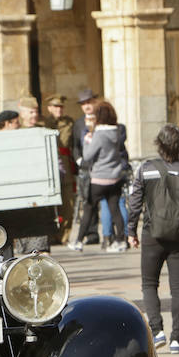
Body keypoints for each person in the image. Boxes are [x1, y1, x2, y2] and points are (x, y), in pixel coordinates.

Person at [127, 124, 179, 353]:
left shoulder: (146, 169)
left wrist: (131, 231)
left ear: (159, 145)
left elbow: (135, 203)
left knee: (149, 284)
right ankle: (177, 339)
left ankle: (157, 330)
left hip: (152, 234)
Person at [69, 101, 126, 251]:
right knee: (115, 209)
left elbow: (87, 155)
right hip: (115, 177)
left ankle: (78, 241)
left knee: (88, 209)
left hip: (99, 178)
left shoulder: (99, 134)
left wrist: (88, 140)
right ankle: (121, 240)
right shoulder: (116, 132)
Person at [44, 93, 76, 244]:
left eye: (61, 107)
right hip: (48, 166)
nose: (59, 109)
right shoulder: (43, 122)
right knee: (49, 206)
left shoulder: (69, 122)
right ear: (49, 108)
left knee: (68, 204)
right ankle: (49, 236)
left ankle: (64, 236)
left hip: (65, 166)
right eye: (56, 107)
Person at [71, 88, 101, 245]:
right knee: (88, 200)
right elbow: (74, 145)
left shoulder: (102, 118)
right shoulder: (78, 123)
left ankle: (113, 235)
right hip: (86, 167)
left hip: (102, 165)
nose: (87, 106)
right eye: (83, 103)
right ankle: (92, 233)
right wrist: (79, 160)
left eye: (89, 102)